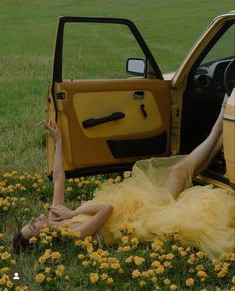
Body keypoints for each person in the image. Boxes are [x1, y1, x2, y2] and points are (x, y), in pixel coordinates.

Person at [13, 95, 234, 258]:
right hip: (141, 216)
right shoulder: (73, 234)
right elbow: (105, 209)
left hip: (131, 203)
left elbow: (59, 179)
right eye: (32, 226)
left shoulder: (55, 219)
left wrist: (59, 141)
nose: (33, 219)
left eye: (29, 222)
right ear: (43, 239)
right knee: (179, 171)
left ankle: (222, 134)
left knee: (184, 171)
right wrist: (74, 212)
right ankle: (219, 126)